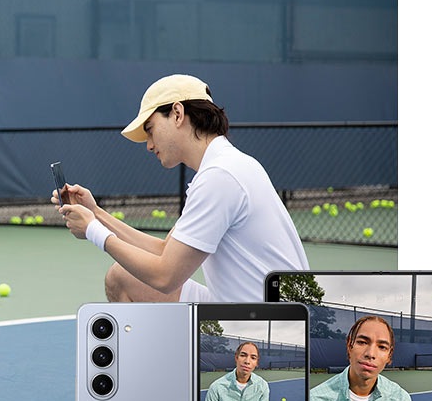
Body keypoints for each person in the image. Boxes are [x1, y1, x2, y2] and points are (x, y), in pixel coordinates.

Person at [54, 74, 308, 302]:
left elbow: (166, 277)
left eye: (150, 130)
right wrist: (96, 213)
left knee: (132, 278)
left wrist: (93, 231)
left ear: (177, 113)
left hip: (268, 331)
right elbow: (165, 251)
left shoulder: (219, 176)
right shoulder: (227, 166)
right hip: (265, 318)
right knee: (122, 277)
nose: (149, 145)